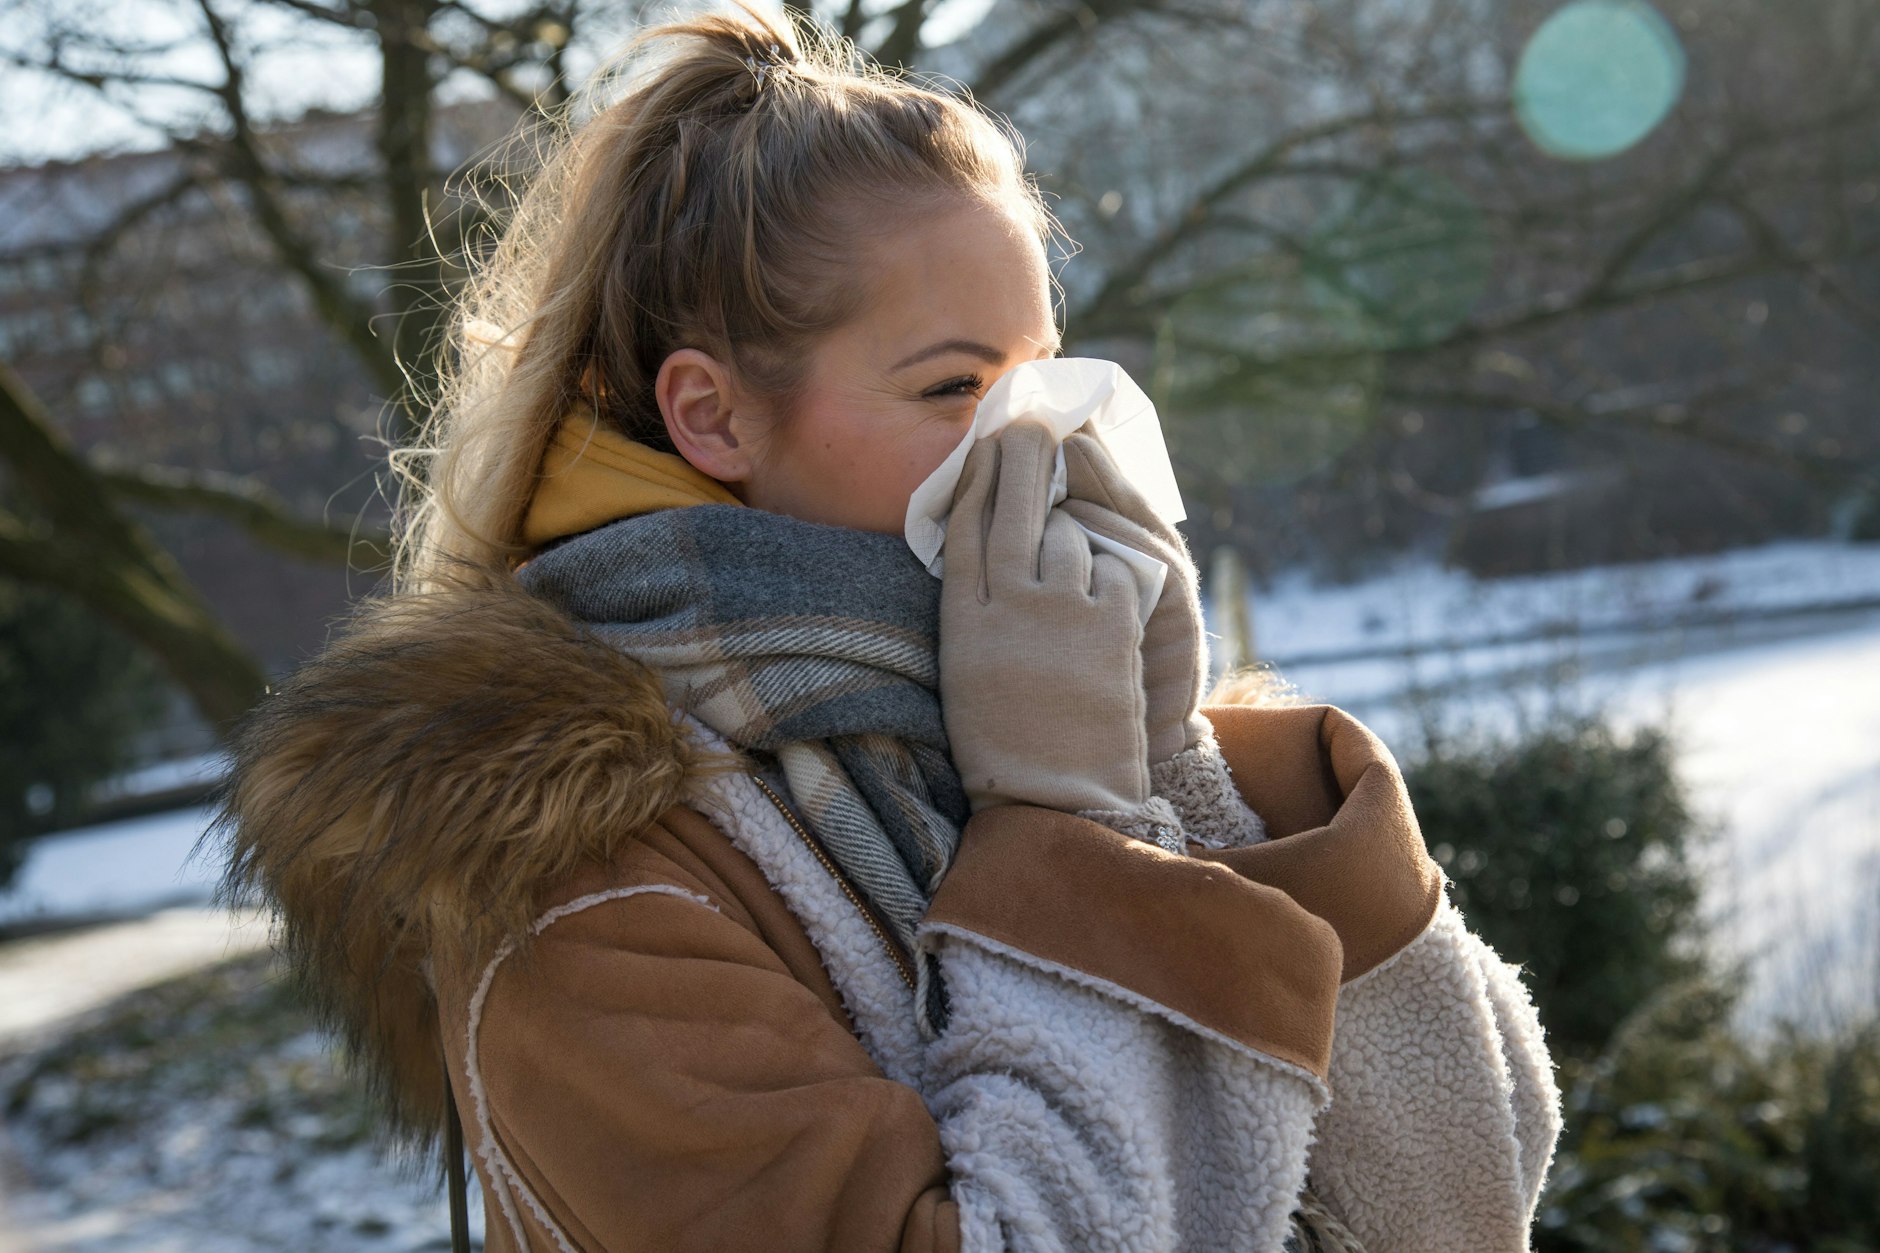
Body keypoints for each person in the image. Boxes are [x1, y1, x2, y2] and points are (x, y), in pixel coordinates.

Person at [212, 4, 1562, 1250]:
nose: (1036, 442)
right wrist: (1063, 830)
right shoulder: (578, 877)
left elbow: (1466, 1191)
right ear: (715, 416)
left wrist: (1172, 764)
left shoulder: (1038, 713)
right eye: (953, 384)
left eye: (1043, 374)